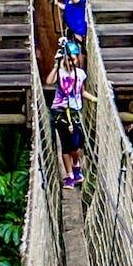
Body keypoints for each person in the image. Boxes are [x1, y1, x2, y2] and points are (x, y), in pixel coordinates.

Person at [49, 40, 88, 187]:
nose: (72, 62)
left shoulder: (80, 74)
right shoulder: (59, 72)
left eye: (74, 59)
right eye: (69, 59)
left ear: (77, 58)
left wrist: (98, 99)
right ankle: (70, 176)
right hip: (60, 111)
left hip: (74, 111)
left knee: (75, 145)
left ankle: (77, 166)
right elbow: (48, 80)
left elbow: (83, 92)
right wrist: (56, 64)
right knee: (65, 145)